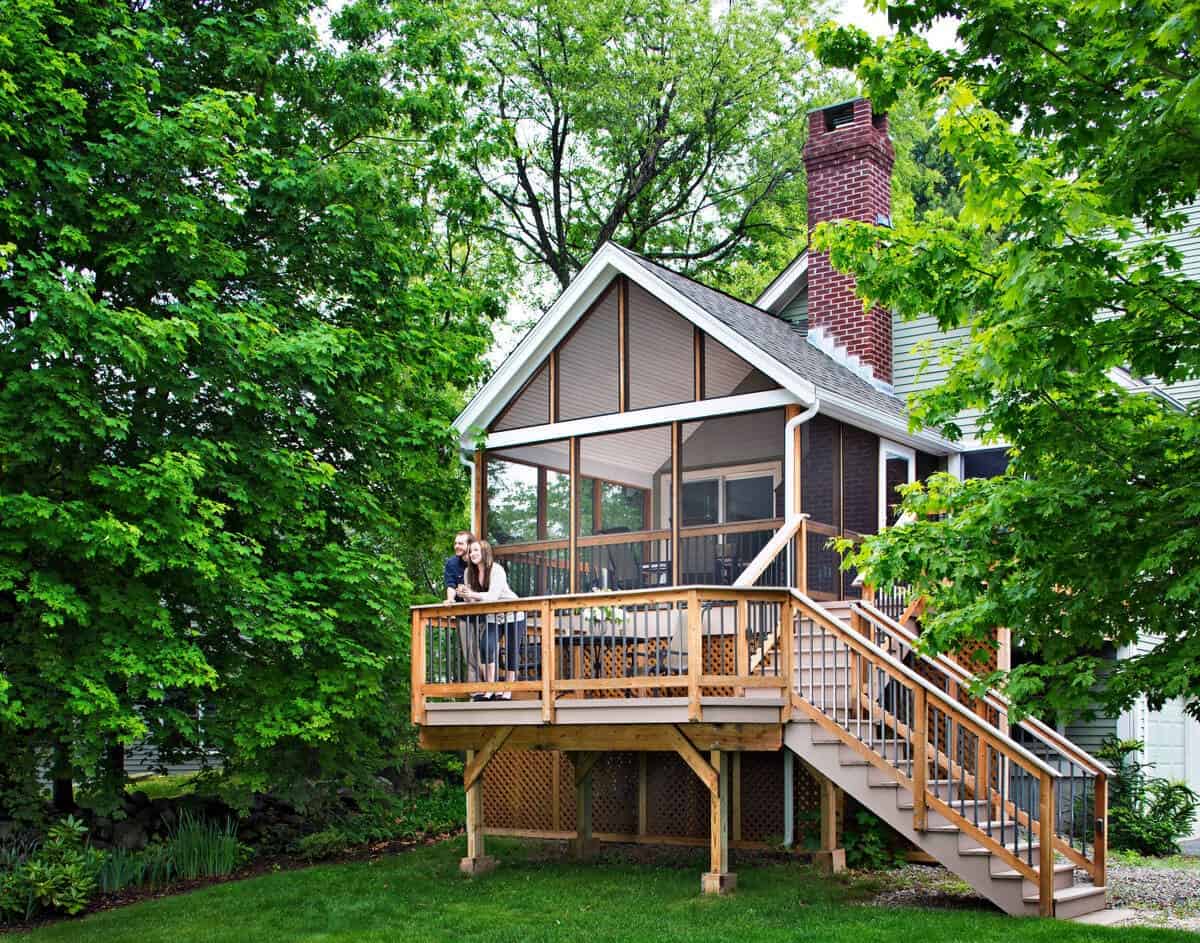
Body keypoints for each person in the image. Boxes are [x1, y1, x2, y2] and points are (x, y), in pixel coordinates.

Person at [459, 539, 522, 700]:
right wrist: (465, 595)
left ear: (485, 553)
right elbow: (474, 602)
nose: (472, 554)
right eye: (471, 551)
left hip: (512, 613)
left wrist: (472, 594)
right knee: (486, 646)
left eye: (476, 551)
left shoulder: (497, 570)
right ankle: (490, 688)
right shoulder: (469, 573)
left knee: (511, 651)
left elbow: (493, 597)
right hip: (492, 615)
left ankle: (507, 690)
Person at [444, 530, 478, 682]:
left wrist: (471, 592)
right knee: (469, 654)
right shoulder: (451, 563)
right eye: (455, 543)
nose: (456, 546)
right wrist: (450, 600)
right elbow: (450, 585)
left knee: (485, 652)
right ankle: (475, 692)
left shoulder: (478, 560)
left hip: (485, 614)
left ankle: (491, 689)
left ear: (469, 545)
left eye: (460, 543)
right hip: (463, 615)